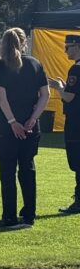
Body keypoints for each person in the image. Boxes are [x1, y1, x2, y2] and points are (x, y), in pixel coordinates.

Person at [0, 27, 49, 228]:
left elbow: (1, 97)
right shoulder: (35, 64)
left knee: (7, 171)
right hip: (30, 125)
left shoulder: (1, 66)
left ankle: (9, 216)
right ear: (24, 42)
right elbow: (45, 95)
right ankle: (29, 215)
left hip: (7, 127)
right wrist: (33, 118)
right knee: (28, 169)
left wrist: (12, 122)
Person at [50, 35, 80, 214]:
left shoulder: (76, 69)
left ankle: (79, 201)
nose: (65, 50)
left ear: (77, 46)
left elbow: (68, 97)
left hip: (76, 122)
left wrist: (59, 87)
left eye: (68, 47)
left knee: (77, 161)